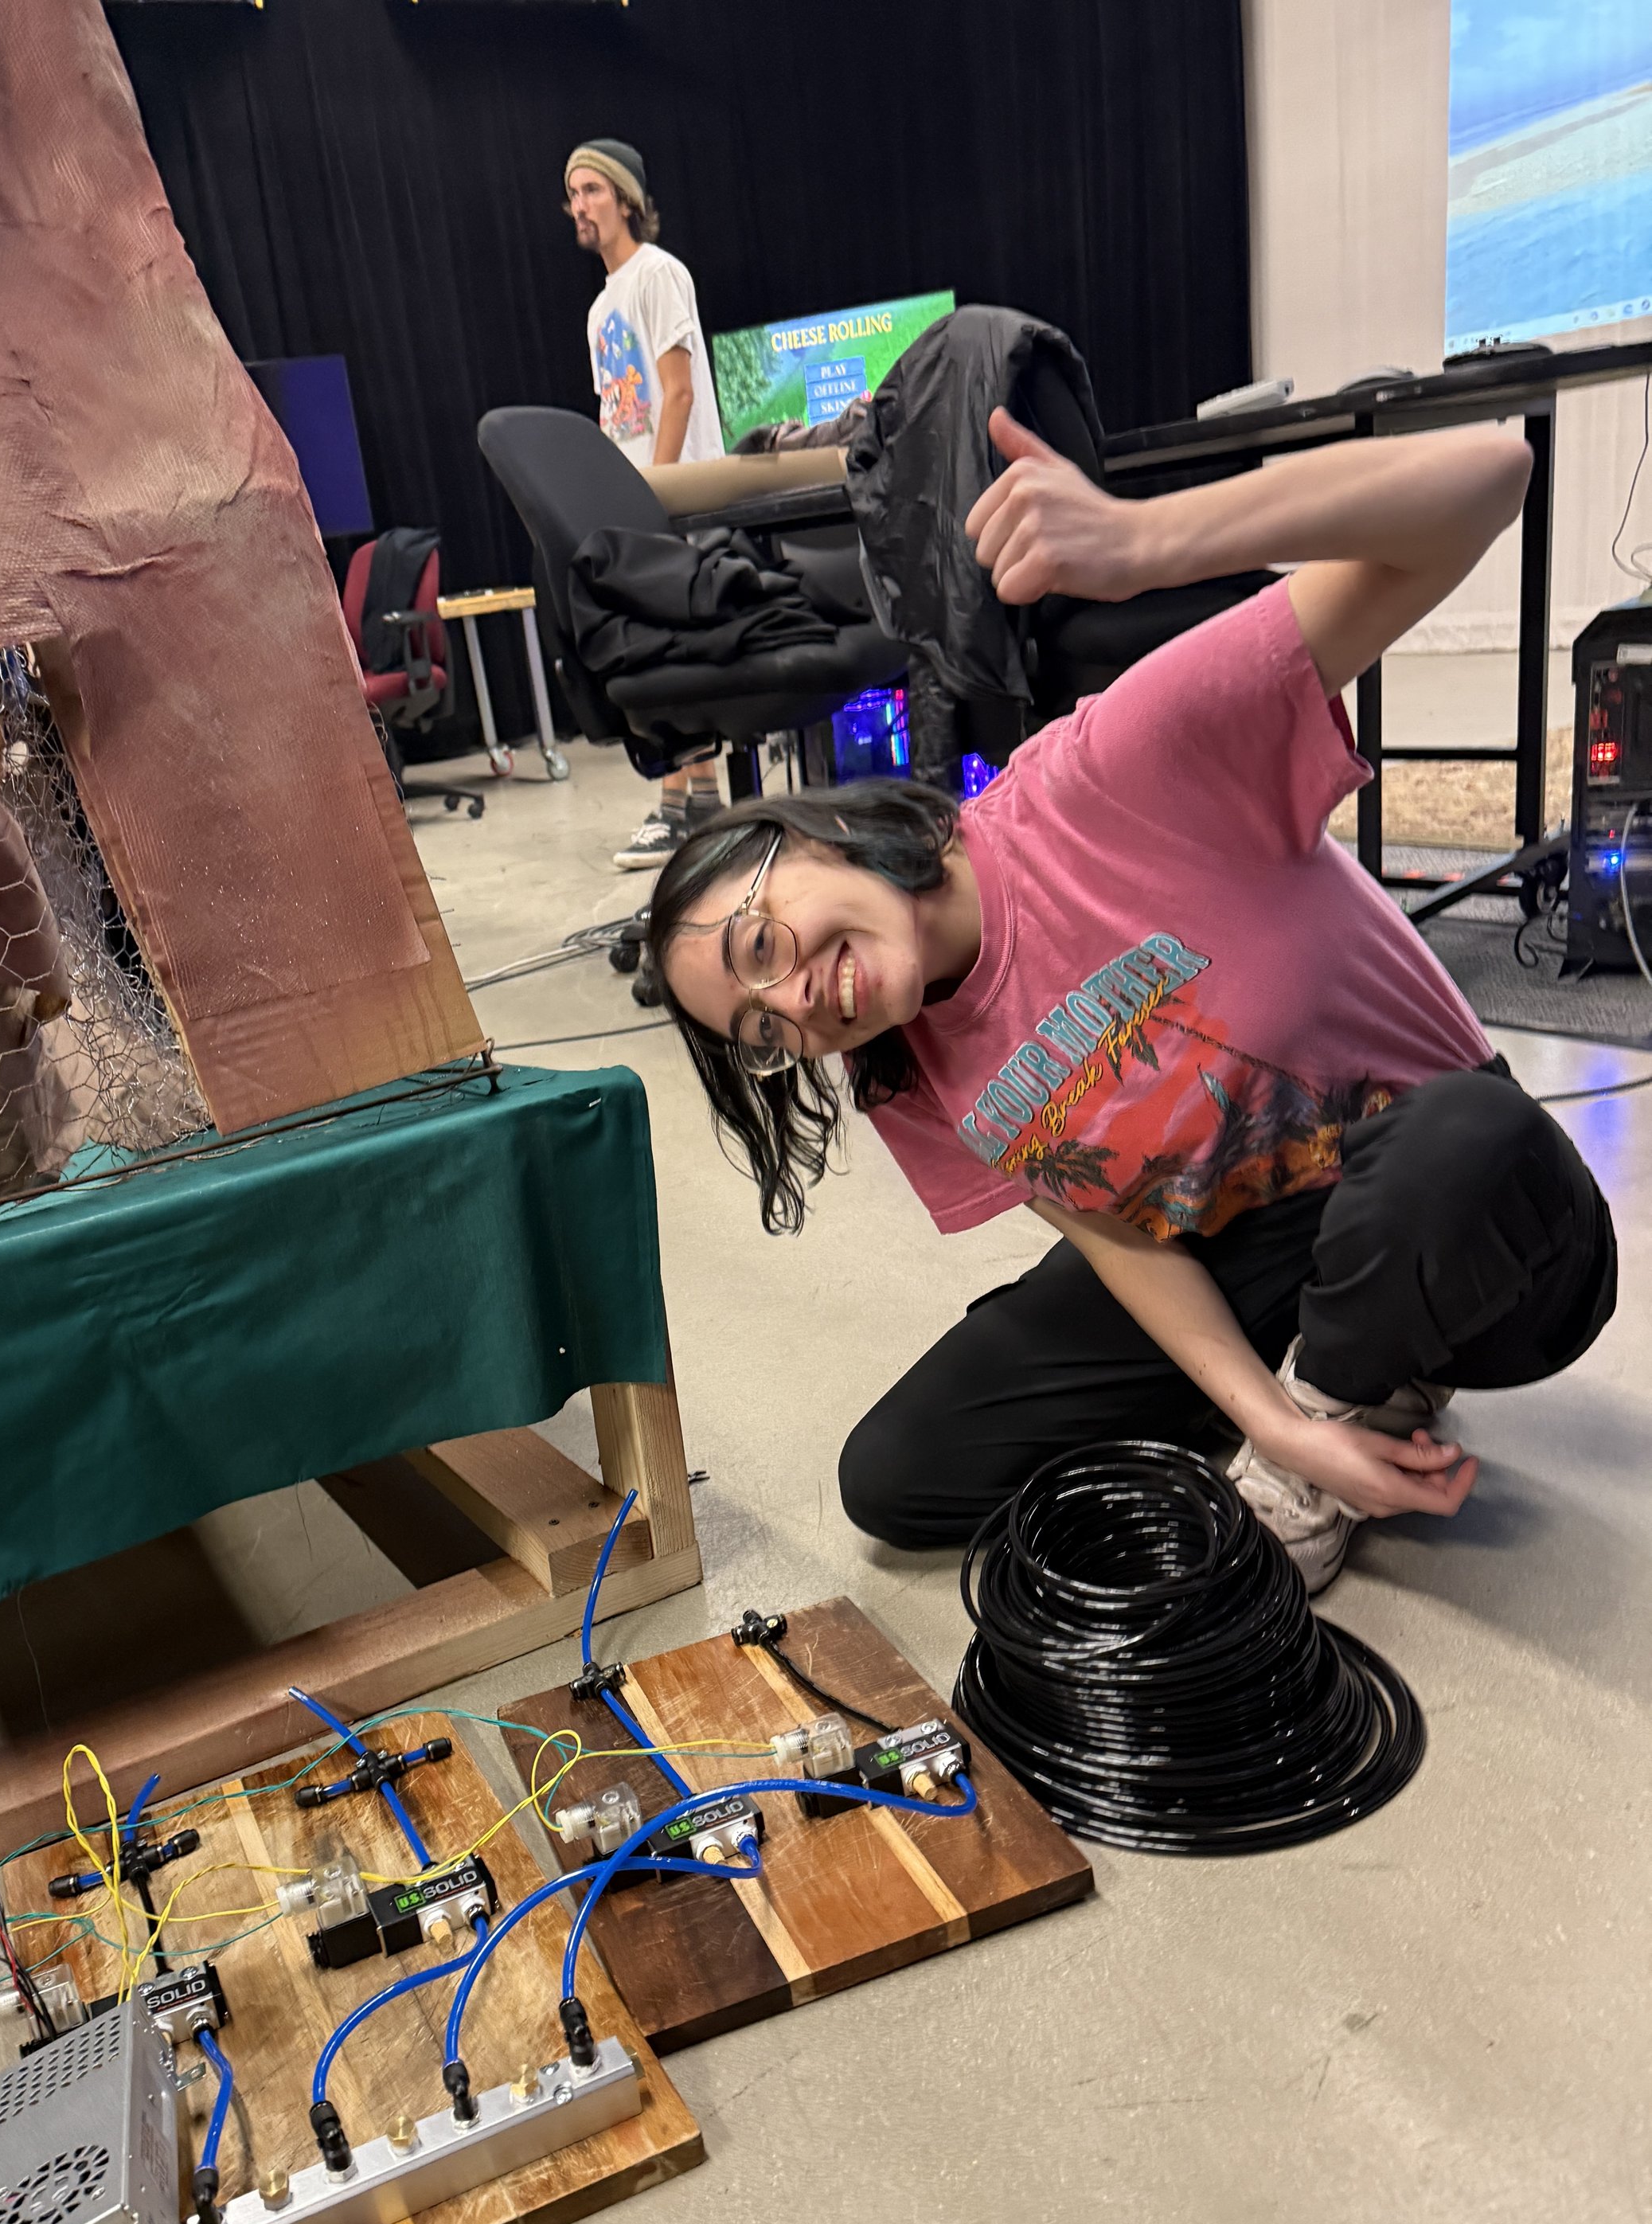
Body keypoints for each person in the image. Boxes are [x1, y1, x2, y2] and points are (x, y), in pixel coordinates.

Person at [650, 412, 1618, 1589]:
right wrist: (1258, 1412)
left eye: (761, 942)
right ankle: (1329, 1386)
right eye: (763, 1031)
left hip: (1464, 1208)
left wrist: (1152, 540)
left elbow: (1489, 473)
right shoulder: (897, 1059)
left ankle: (1336, 1407)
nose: (796, 1002)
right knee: (898, 1473)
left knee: (1471, 1136)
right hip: (1240, 1241)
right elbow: (1109, 1227)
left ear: (811, 835)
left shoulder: (1112, 770)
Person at [562, 137, 725, 870]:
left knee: (678, 647)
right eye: (573, 194)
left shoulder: (659, 275)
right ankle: (694, 802)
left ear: (626, 199)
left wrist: (656, 491)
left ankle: (685, 805)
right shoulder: (601, 308)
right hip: (633, 497)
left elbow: (678, 392)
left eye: (592, 190)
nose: (580, 206)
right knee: (658, 648)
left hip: (672, 493)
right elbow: (614, 415)